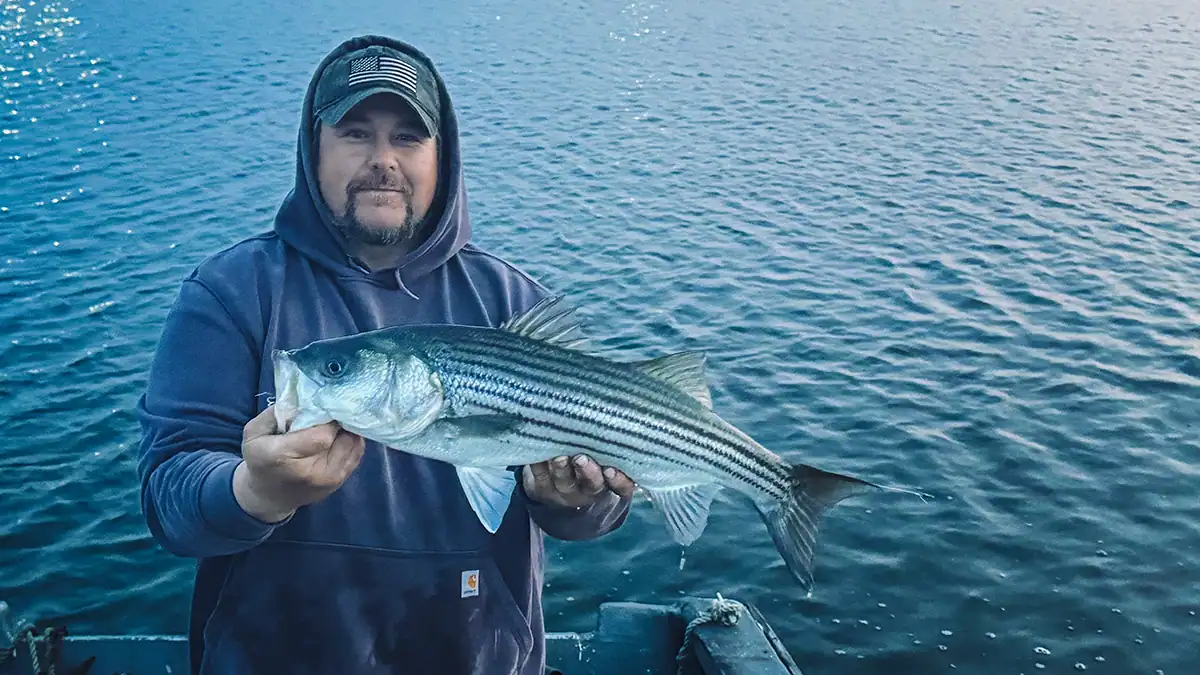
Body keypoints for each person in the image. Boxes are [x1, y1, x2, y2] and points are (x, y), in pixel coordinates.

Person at [136, 34, 635, 675]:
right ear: (312, 150)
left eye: (407, 136)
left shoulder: (515, 302)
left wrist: (578, 501)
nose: (382, 160)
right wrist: (254, 490)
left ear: (442, 156)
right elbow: (168, 504)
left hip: (475, 654)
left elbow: (596, 511)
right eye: (354, 133)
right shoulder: (232, 293)